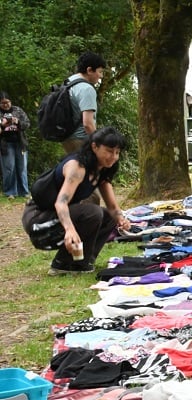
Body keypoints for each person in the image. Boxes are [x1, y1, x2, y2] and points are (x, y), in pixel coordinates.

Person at [22, 127, 131, 275]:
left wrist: (121, 219)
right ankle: (63, 264)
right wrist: (70, 229)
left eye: (117, 152)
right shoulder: (77, 167)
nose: (114, 157)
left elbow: (112, 206)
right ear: (94, 146)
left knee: (109, 217)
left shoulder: (102, 169)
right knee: (93, 212)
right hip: (38, 221)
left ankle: (82, 262)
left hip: (54, 217)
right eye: (109, 151)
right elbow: (60, 203)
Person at [62, 52, 106, 155]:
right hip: (81, 141)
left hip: (67, 138)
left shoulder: (69, 82)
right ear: (89, 70)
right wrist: (98, 144)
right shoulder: (87, 89)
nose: (101, 76)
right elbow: (88, 124)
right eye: (100, 72)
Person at [0, 92, 30, 198]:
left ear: (10, 101)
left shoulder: (18, 110)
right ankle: (10, 192)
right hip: (5, 144)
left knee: (22, 167)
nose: (5, 105)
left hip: (20, 142)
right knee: (9, 168)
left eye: (7, 102)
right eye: (2, 103)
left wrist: (18, 122)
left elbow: (27, 124)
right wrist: (3, 125)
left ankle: (24, 192)